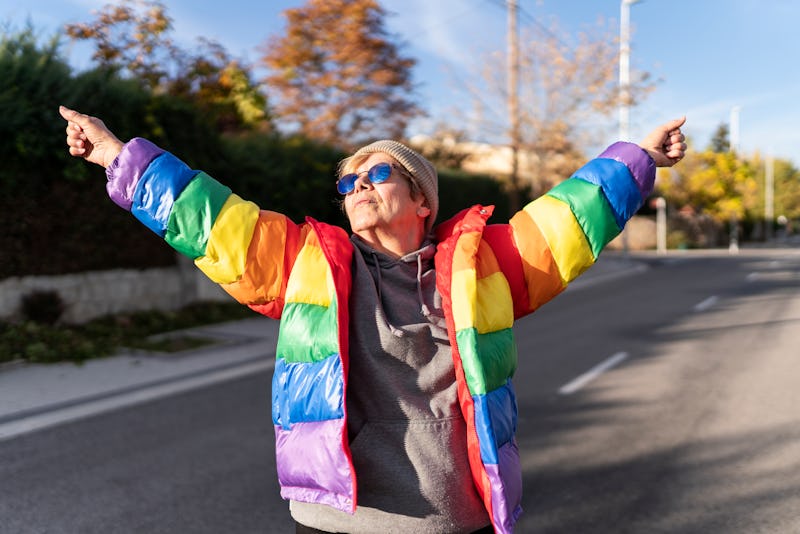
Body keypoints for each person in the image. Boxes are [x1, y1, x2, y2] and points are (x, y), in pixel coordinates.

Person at [60, 105, 686, 534]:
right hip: (337, 520)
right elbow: (208, 218)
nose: (357, 184)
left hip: (454, 519)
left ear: (421, 199)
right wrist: (117, 153)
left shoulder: (482, 265)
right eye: (348, 180)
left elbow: (569, 219)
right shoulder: (306, 262)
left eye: (377, 172)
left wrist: (638, 159)